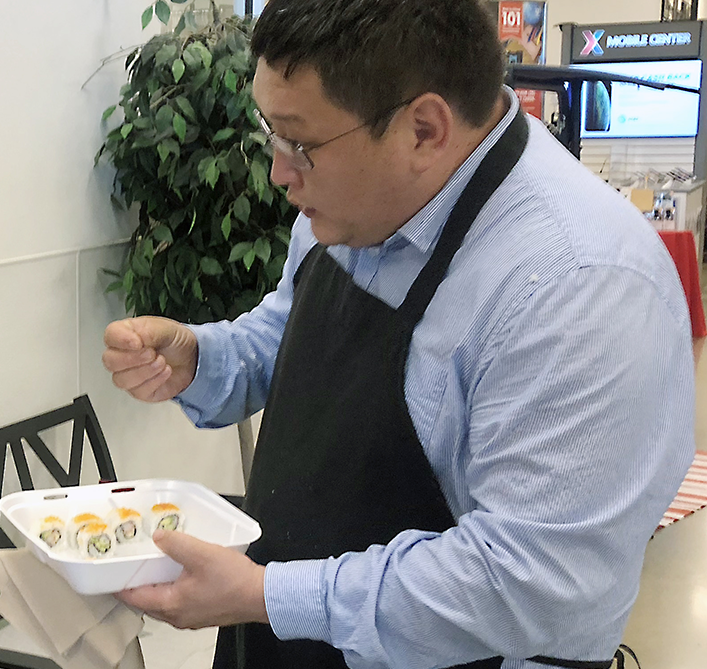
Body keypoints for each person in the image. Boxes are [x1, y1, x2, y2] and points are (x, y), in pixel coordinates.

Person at [102, 1, 695, 668]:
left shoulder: (579, 286)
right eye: (270, 131)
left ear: (423, 129)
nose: (277, 171)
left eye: (299, 142)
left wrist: (271, 594)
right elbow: (290, 328)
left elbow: (527, 583)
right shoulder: (347, 200)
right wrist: (205, 357)